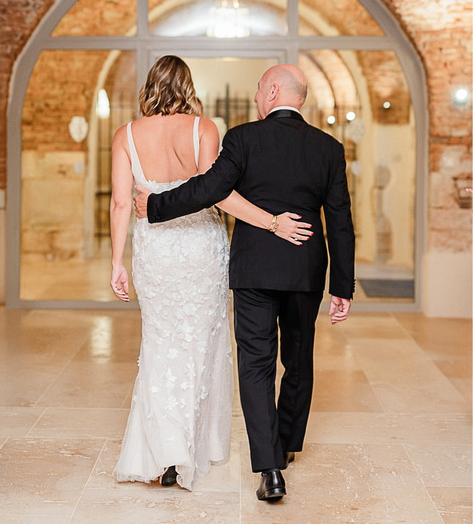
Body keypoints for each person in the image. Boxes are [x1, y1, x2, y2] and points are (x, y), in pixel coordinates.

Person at [134, 62, 355, 502]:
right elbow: (341, 222)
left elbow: (209, 187)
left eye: (259, 89)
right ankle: (289, 442)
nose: (256, 97)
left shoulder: (243, 138)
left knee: (255, 364)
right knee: (299, 358)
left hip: (255, 269)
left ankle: (270, 468)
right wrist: (342, 287)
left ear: (273, 92)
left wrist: (156, 206)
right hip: (305, 271)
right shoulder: (328, 147)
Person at [110, 56, 309, 491]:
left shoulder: (125, 135)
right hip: (201, 249)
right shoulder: (204, 129)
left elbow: (122, 203)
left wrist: (116, 262)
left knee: (160, 346)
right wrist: (272, 221)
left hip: (155, 252)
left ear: (150, 86)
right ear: (187, 86)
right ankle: (191, 449)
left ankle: (164, 452)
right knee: (202, 346)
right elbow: (216, 194)